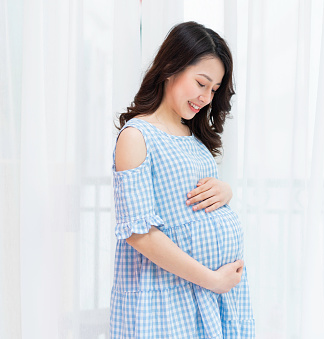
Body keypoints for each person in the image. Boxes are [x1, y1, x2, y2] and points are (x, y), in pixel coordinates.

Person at [110, 21, 254, 338]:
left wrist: (225, 191)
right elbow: (140, 233)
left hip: (208, 295)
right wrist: (211, 279)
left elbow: (193, 197)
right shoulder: (137, 136)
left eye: (214, 90)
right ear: (171, 67)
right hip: (167, 294)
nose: (206, 97)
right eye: (201, 83)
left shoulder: (192, 135)